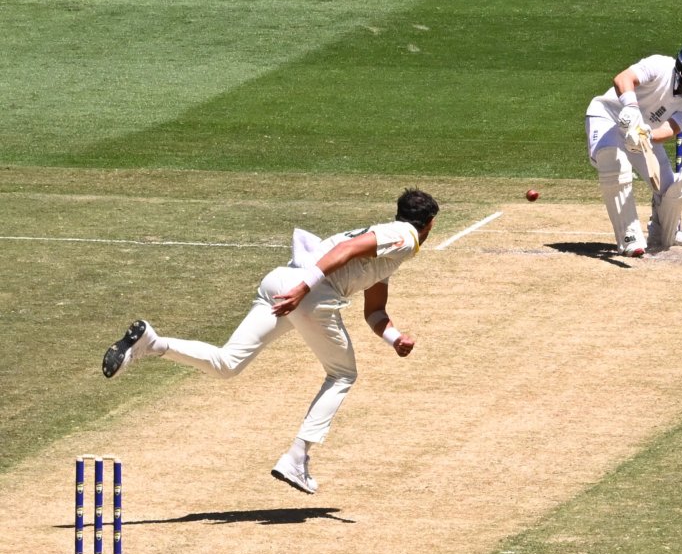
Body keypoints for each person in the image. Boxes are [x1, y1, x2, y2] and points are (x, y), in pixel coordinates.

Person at [101, 188, 440, 495]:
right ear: (429, 223)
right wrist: (304, 290)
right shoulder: (406, 238)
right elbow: (347, 249)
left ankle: (153, 343)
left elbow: (375, 311)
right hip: (307, 293)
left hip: (280, 281)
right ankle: (296, 458)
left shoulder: (386, 249)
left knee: (228, 364)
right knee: (343, 375)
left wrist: (394, 339)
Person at [585, 40, 682, 256]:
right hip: (607, 117)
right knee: (615, 164)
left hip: (641, 134)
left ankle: (666, 233)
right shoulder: (660, 65)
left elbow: (670, 129)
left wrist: (645, 135)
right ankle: (629, 237)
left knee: (674, 188)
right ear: (680, 67)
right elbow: (623, 78)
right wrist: (631, 107)